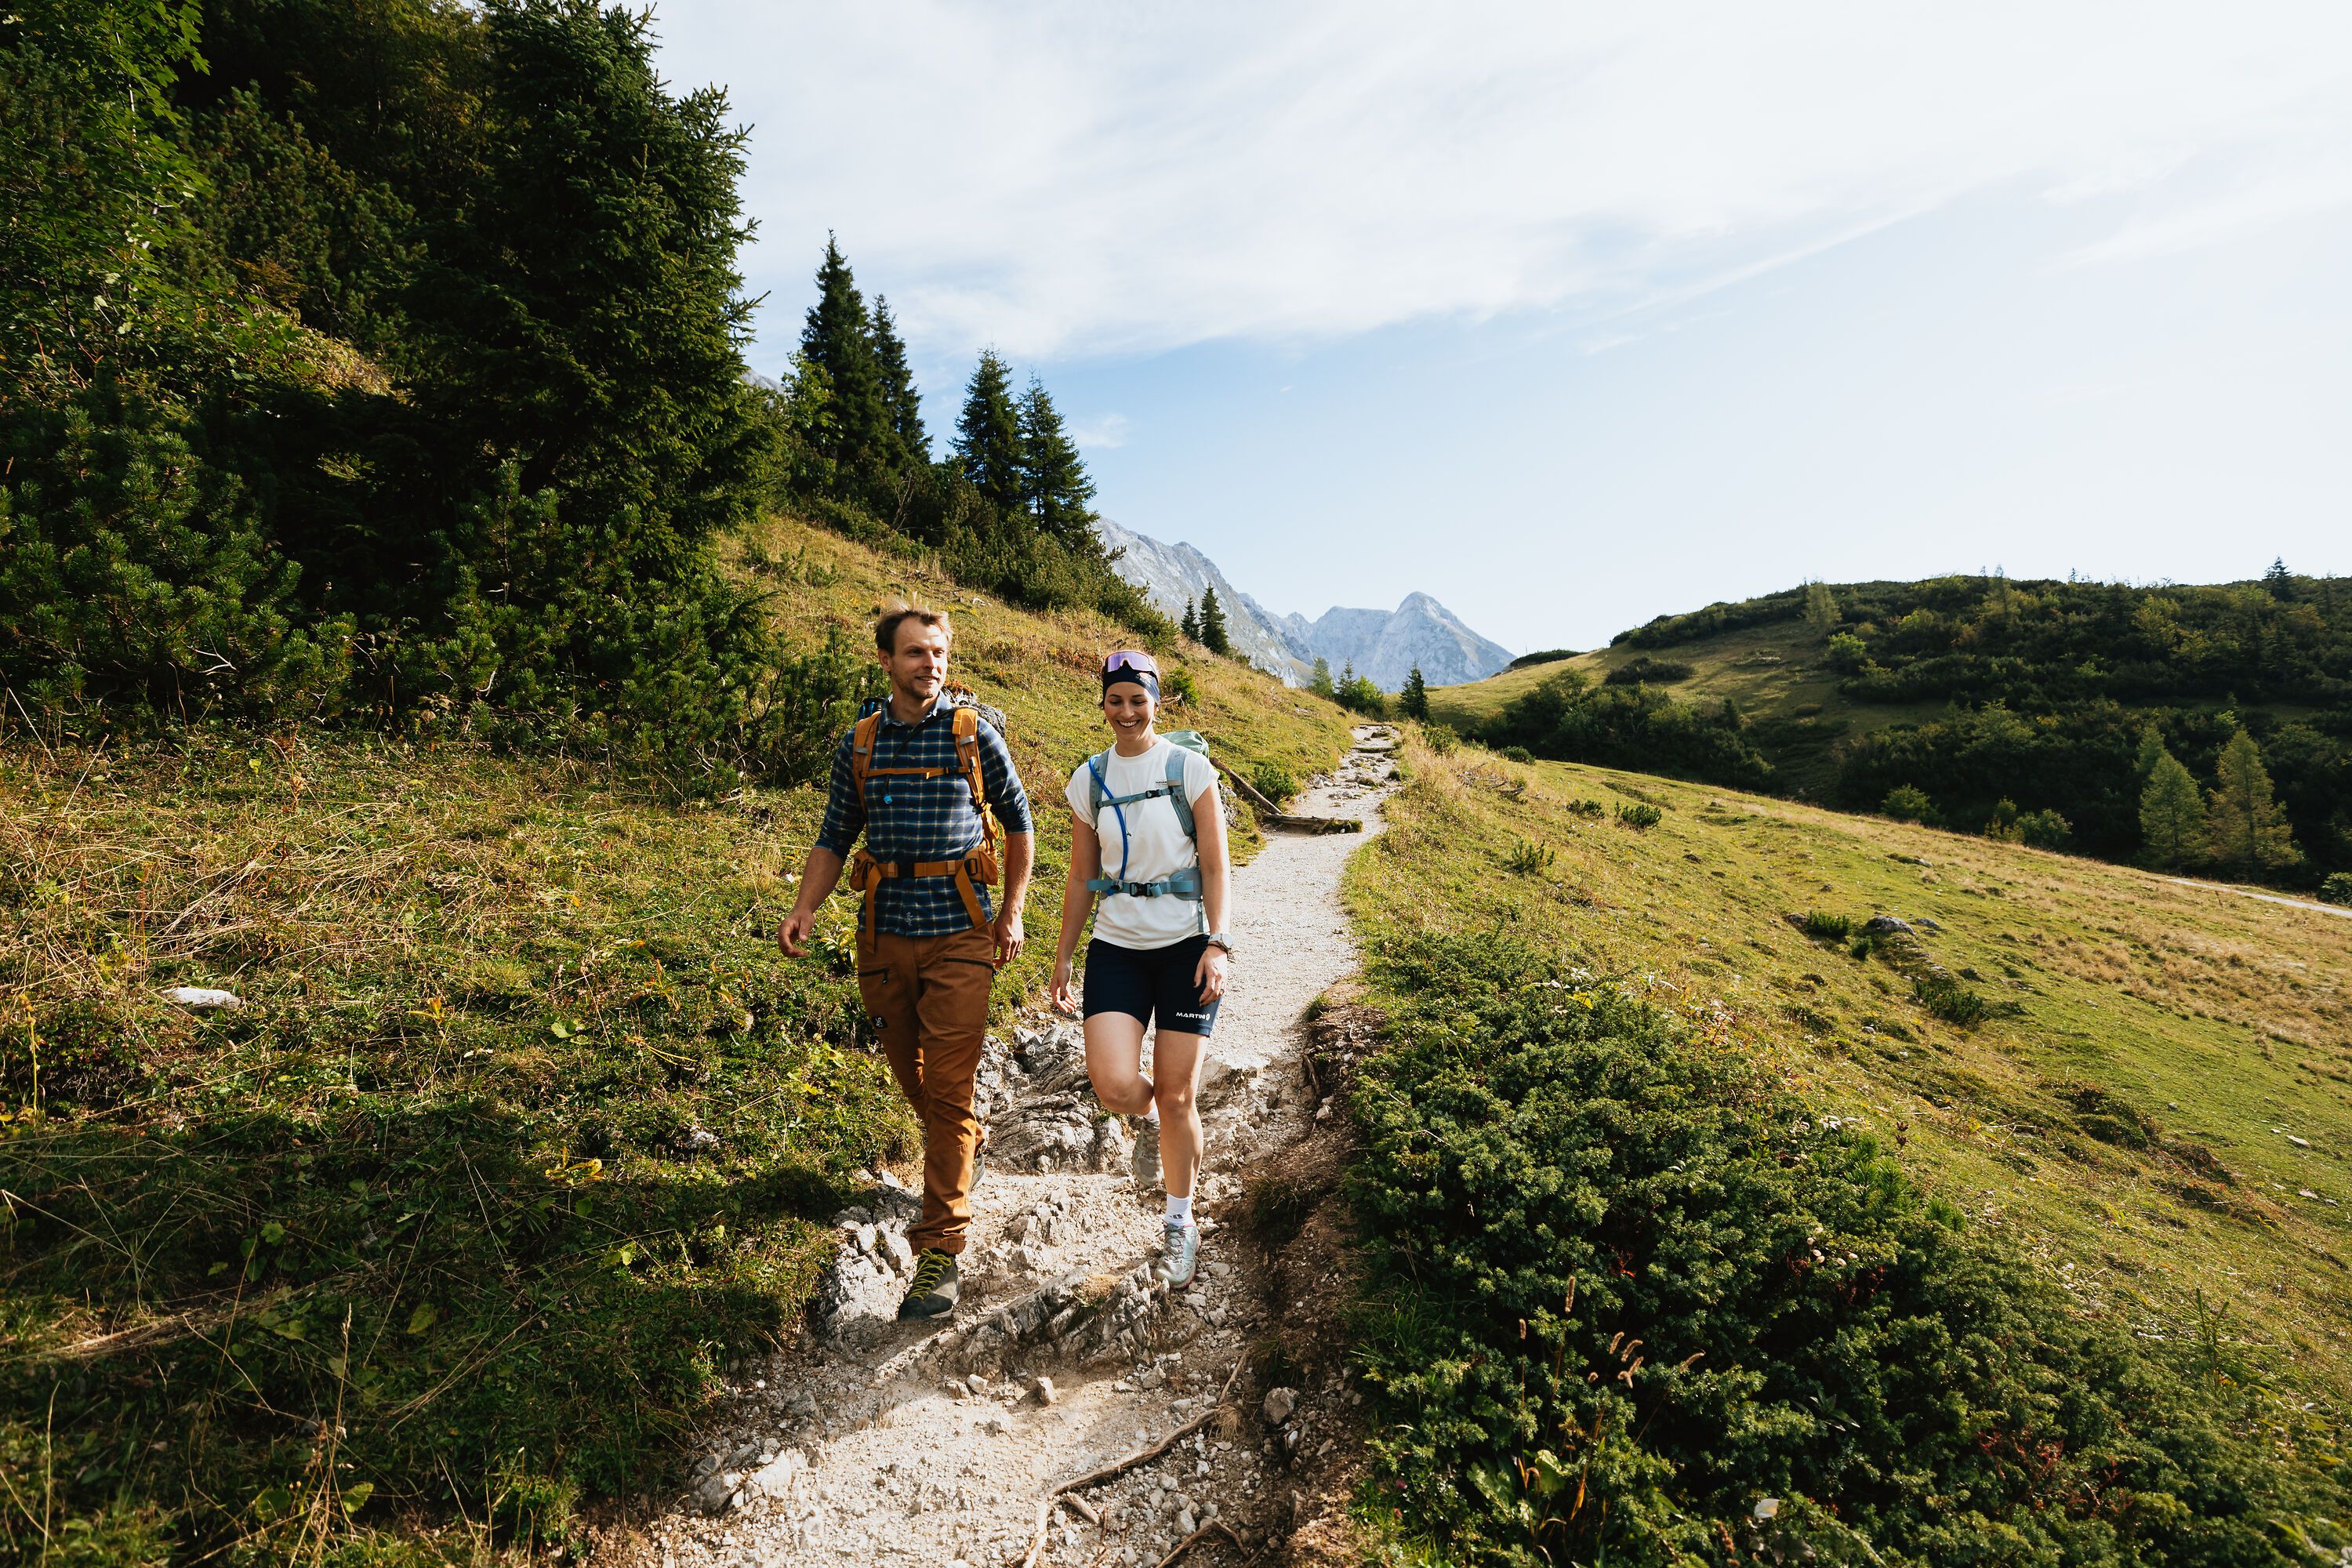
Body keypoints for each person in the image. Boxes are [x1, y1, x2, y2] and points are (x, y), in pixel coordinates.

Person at [778, 601, 1035, 1320]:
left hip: (961, 933)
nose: (932, 664)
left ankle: (939, 1255)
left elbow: (1020, 823)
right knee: (912, 1076)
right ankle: (965, 1144)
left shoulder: (974, 734)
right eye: (917, 653)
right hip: (884, 934)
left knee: (950, 1090)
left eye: (940, 652)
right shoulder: (860, 744)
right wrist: (805, 905)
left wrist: (1011, 914)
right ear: (888, 662)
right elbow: (834, 836)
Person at [1048, 649, 1233, 1289]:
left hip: (1186, 944)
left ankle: (1180, 1224)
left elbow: (1215, 865)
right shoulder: (1089, 779)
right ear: (1103, 704)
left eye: (1138, 699)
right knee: (1113, 1087)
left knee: (1179, 1091)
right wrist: (1064, 956)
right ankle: (1151, 1123)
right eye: (1115, 699)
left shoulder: (1189, 768)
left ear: (1157, 702)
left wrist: (1219, 943)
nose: (1126, 711)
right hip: (1117, 945)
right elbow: (1079, 875)